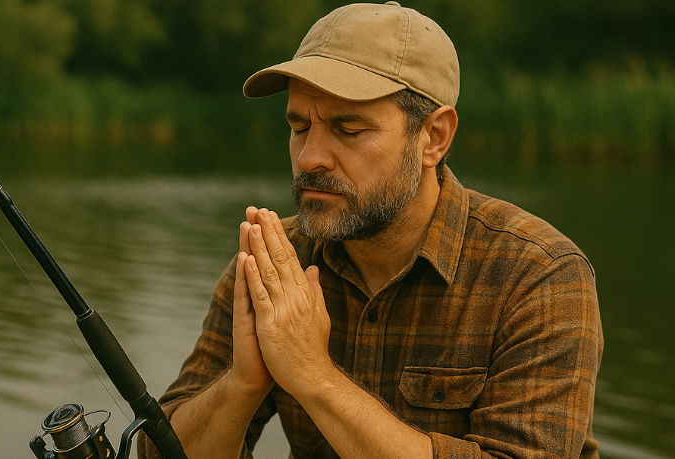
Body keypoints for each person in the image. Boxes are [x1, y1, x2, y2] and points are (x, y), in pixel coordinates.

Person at [139, 2, 603, 458]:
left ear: (434, 138)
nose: (308, 158)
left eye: (348, 128)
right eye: (300, 126)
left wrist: (313, 375)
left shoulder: (540, 275)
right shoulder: (273, 265)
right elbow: (158, 454)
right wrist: (242, 382)